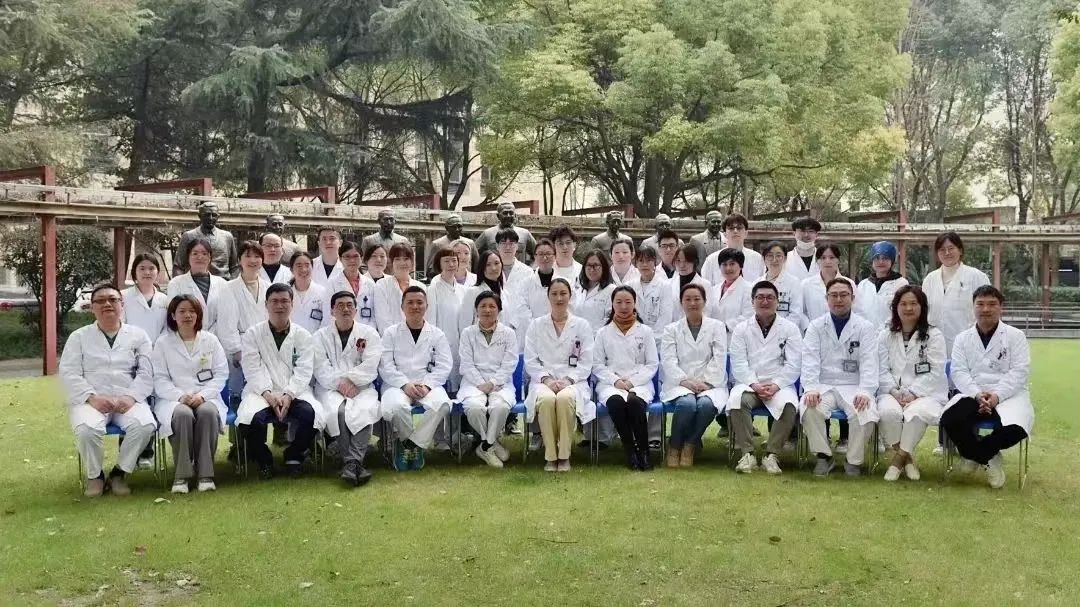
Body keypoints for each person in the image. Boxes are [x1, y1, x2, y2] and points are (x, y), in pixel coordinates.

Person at [59, 284, 156, 497]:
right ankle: (96, 476)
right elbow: (69, 373)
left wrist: (131, 397)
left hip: (127, 399)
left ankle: (119, 474)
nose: (107, 304)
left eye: (113, 299)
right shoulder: (79, 337)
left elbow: (147, 372)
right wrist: (92, 397)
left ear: (122, 304)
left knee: (145, 425)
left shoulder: (138, 336)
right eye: (100, 301)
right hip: (91, 400)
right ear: (92, 307)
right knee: (87, 430)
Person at [940, 286, 1032, 489]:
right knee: (949, 419)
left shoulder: (1016, 336)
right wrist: (977, 394)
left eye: (992, 304)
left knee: (1017, 426)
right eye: (980, 304)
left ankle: (975, 455)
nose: (986, 309)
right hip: (973, 392)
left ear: (1001, 307)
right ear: (973, 307)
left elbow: (1019, 371)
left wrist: (997, 396)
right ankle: (988, 457)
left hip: (1009, 394)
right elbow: (959, 371)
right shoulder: (962, 338)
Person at [236, 284, 323, 479]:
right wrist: (268, 395)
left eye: (285, 301)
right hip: (261, 392)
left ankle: (294, 455)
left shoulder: (302, 335)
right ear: (266, 304)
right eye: (274, 301)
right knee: (249, 420)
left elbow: (304, 370)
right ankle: (264, 460)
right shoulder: (252, 334)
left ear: (292, 305)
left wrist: (289, 395)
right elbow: (252, 368)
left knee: (311, 415)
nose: (279, 305)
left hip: (295, 391)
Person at [800, 278, 880, 477]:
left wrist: (865, 391)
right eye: (833, 295)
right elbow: (809, 360)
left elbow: (870, 363)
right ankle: (824, 456)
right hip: (823, 384)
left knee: (864, 411)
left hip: (854, 385)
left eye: (844, 295)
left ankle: (853, 461)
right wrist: (811, 388)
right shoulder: (816, 326)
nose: (838, 299)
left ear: (852, 298)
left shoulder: (865, 327)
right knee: (809, 408)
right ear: (826, 299)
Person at [151, 295, 229, 493]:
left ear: (198, 315)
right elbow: (159, 378)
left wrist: (203, 395)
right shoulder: (162, 343)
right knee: (182, 414)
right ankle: (182, 476)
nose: (187, 315)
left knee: (208, 412)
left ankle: (205, 474)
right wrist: (180, 396)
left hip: (206, 396)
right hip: (173, 399)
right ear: (173, 315)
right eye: (182, 311)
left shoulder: (210, 340)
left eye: (192, 311)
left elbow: (221, 373)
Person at [727, 281, 803, 475]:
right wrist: (754, 384)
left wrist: (776, 385)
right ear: (752, 301)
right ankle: (748, 454)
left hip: (779, 385)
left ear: (777, 301)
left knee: (789, 405)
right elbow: (738, 363)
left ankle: (772, 455)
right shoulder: (741, 329)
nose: (765, 301)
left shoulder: (790, 329)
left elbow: (794, 363)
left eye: (770, 297)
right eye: (760, 297)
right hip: (749, 383)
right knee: (737, 401)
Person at [876, 285, 948, 482]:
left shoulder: (934, 336)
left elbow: (936, 370)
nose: (908, 308)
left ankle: (897, 462)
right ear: (896, 307)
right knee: (887, 413)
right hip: (892, 392)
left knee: (916, 413)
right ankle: (908, 460)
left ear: (922, 307)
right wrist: (894, 391)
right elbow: (881, 368)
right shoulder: (885, 335)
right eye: (903, 304)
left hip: (927, 393)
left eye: (913, 304)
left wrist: (913, 393)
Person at [378, 286, 454, 471]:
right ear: (402, 307)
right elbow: (385, 365)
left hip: (427, 384)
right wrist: (404, 384)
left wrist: (427, 385)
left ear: (427, 306)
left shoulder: (437, 334)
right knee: (395, 407)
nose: (415, 306)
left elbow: (444, 365)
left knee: (443, 404)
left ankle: (411, 444)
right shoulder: (390, 333)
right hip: (396, 385)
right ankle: (410, 442)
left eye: (419, 302)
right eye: (410, 302)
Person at [312, 291, 383, 487]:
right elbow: (320, 367)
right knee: (339, 412)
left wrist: (350, 380)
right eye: (340, 305)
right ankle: (354, 463)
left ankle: (350, 464)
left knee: (363, 410)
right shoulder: (319, 337)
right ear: (332, 310)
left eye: (349, 305)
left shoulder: (369, 334)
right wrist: (340, 383)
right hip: (330, 388)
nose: (345, 309)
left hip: (362, 387)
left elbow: (371, 364)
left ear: (356, 310)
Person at [524, 278, 595, 472]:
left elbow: (586, 361)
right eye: (554, 294)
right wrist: (546, 379)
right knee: (546, 400)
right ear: (548, 297)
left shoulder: (582, 325)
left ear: (570, 296)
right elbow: (530, 360)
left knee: (565, 399)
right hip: (543, 381)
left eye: (563, 293)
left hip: (573, 381)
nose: (559, 298)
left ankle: (564, 456)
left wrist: (568, 380)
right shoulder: (536, 325)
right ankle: (550, 455)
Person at [659, 283, 729, 467]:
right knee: (687, 404)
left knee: (706, 405)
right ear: (681, 303)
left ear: (704, 302)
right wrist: (685, 381)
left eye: (697, 299)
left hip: (710, 383)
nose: (692, 303)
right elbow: (668, 360)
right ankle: (674, 446)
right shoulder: (671, 329)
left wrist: (706, 382)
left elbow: (719, 358)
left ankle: (690, 444)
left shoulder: (717, 327)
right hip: (679, 383)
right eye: (688, 299)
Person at [594, 286, 659, 470]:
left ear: (635, 304)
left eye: (628, 302)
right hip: (610, 383)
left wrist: (632, 382)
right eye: (619, 302)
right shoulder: (603, 333)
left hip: (639, 382)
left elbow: (652, 364)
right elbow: (597, 364)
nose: (623, 306)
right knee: (615, 402)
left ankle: (644, 451)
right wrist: (615, 381)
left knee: (634, 402)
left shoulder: (645, 331)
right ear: (612, 304)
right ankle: (629, 450)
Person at [458, 292, 519, 468]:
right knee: (474, 408)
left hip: (500, 383)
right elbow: (466, 363)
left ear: (499, 310)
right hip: (473, 382)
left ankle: (485, 446)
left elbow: (509, 363)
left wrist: (492, 383)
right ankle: (491, 444)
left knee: (500, 407)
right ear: (476, 310)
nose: (487, 310)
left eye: (492, 306)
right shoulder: (467, 333)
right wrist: (481, 383)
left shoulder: (508, 334)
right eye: (483, 306)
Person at [625, 245, 673, 450]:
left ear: (656, 262)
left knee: (657, 388)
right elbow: (627, 313)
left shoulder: (665, 286)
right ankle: (634, 433)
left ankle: (654, 434)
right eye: (641, 261)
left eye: (649, 260)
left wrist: (648, 337)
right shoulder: (629, 285)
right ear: (636, 263)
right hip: (632, 343)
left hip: (658, 342)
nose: (645, 265)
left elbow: (666, 317)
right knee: (635, 387)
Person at [921, 231, 990, 356]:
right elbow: (924, 312)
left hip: (969, 344)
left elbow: (987, 310)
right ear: (937, 254)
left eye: (951, 248)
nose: (947, 253)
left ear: (960, 250)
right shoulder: (929, 280)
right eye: (942, 250)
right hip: (935, 345)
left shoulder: (977, 277)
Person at [215, 241, 270, 395]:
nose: (253, 260)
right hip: (240, 347)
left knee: (264, 389)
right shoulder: (228, 288)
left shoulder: (268, 286)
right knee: (240, 393)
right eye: (248, 256)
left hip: (265, 345)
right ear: (239, 260)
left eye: (257, 256)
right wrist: (237, 351)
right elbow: (226, 325)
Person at [167, 237, 228, 334]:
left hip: (218, 338)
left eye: (204, 253)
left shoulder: (223, 284)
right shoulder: (176, 284)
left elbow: (226, 316)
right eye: (195, 253)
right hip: (186, 337)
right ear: (188, 257)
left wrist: (209, 337)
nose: (200, 257)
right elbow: (173, 315)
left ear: (210, 258)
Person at [424, 248, 466, 390]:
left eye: (454, 260)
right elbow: (430, 321)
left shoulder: (463, 290)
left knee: (461, 384)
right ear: (439, 264)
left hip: (461, 344)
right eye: (446, 261)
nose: (451, 264)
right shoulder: (433, 289)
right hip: (442, 344)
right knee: (445, 384)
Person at [173, 202, 238, 278]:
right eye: (207, 215)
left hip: (223, 282)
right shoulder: (188, 236)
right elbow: (178, 266)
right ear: (199, 216)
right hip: (196, 282)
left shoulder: (227, 237)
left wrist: (232, 283)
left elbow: (235, 267)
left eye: (214, 215)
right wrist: (178, 283)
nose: (210, 218)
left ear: (218, 216)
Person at [855, 241, 908, 329]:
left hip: (892, 332)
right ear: (872, 261)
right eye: (877, 258)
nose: (880, 262)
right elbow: (858, 312)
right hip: (866, 333)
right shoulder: (863, 284)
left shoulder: (901, 283)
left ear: (892, 261)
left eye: (885, 258)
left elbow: (903, 312)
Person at [374, 243, 425, 334]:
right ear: (392, 262)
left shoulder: (421, 287)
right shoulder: (382, 285)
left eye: (406, 259)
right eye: (397, 259)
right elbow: (382, 320)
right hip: (391, 338)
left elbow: (425, 317)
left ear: (412, 262)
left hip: (417, 337)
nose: (402, 263)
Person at [327, 241, 378, 331]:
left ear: (361, 258)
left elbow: (375, 315)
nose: (352, 260)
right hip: (341, 331)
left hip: (366, 333)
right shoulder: (332, 283)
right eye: (347, 256)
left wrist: (368, 333)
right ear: (340, 259)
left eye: (355, 256)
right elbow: (329, 313)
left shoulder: (370, 284)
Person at [801, 243, 855, 325]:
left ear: (838, 260)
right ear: (817, 261)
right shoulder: (806, 284)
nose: (827, 261)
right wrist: (808, 328)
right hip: (814, 330)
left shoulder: (849, 283)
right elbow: (801, 311)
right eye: (823, 258)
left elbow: (856, 310)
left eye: (831, 257)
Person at [701, 213, 764, 283]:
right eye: (731, 228)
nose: (735, 231)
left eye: (739, 228)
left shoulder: (757, 259)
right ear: (724, 234)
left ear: (746, 233)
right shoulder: (712, 260)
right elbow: (705, 286)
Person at [760, 241, 805, 330]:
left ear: (785, 259)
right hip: (761, 332)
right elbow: (753, 312)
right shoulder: (756, 283)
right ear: (764, 259)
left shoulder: (794, 283)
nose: (774, 260)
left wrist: (778, 330)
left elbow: (796, 314)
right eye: (770, 256)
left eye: (778, 255)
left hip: (786, 333)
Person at [122, 253, 168, 340]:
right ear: (134, 272)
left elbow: (167, 328)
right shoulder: (123, 296)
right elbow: (120, 325)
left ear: (157, 272)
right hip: (132, 346)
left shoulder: (164, 299)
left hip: (159, 346)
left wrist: (160, 344)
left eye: (151, 268)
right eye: (142, 268)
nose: (147, 272)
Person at [706, 248, 752, 330]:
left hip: (736, 335)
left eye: (732, 264)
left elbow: (748, 317)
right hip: (714, 334)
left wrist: (725, 326)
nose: (728, 268)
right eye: (724, 264)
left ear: (741, 266)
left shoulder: (749, 289)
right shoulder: (714, 290)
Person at [573, 249, 617, 331]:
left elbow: (609, 320)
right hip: (576, 335)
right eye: (589, 265)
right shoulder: (578, 289)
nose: (592, 269)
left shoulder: (611, 290)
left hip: (598, 336)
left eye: (596, 265)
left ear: (604, 267)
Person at [425, 213, 479, 278]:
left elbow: (477, 266)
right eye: (453, 227)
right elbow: (431, 270)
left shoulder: (470, 243)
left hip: (467, 281)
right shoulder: (438, 244)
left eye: (459, 226)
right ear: (447, 228)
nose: (457, 229)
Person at [289, 251, 330, 335]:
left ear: (312, 267)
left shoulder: (322, 292)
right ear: (291, 269)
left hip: (316, 339)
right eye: (299, 266)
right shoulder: (285, 293)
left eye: (307, 265)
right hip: (291, 339)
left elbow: (326, 321)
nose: (303, 269)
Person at [670, 244, 711, 321]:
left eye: (686, 261)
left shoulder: (705, 285)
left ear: (695, 261)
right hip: (673, 327)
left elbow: (708, 311)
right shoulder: (669, 284)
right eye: (678, 260)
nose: (682, 265)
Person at [522, 239, 558, 320]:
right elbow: (522, 311)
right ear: (535, 257)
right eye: (540, 254)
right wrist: (536, 325)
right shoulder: (525, 283)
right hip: (531, 326)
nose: (544, 258)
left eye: (548, 254)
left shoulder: (564, 283)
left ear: (555, 256)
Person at [784, 216, 822, 281]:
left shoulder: (825, 257)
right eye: (802, 231)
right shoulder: (784, 259)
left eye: (811, 231)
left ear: (817, 235)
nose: (806, 235)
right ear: (794, 234)